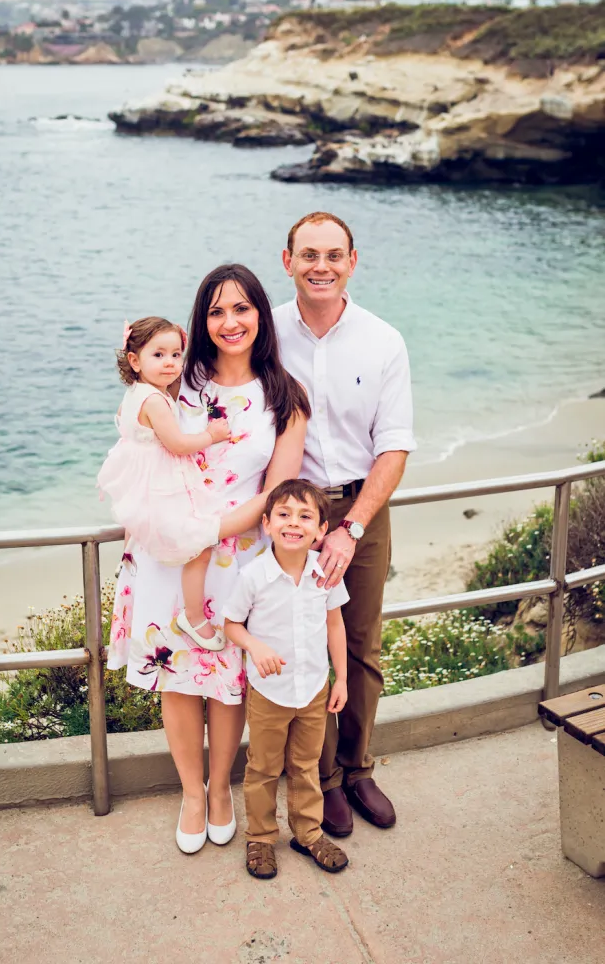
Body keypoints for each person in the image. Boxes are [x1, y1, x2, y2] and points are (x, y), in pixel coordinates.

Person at [107, 265, 310, 854]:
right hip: (169, 550)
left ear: (260, 317)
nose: (229, 323)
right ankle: (191, 794)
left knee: (226, 682)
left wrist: (216, 529)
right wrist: (182, 527)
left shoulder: (285, 396)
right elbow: (141, 447)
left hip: (238, 555)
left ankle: (222, 788)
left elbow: (279, 492)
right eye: (217, 311)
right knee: (178, 678)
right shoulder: (178, 381)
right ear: (203, 320)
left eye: (241, 309)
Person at [273, 211, 416, 838]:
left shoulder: (384, 340)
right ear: (288, 261)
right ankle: (320, 779)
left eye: (334, 255)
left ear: (352, 262)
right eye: (309, 255)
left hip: (362, 511)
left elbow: (394, 447)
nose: (321, 266)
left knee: (360, 647)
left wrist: (352, 526)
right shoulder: (264, 333)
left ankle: (357, 770)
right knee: (300, 647)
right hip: (288, 517)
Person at [98, 315, 282, 651]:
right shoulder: (154, 400)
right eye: (158, 355)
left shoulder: (141, 393)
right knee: (198, 544)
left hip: (146, 486)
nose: (169, 363)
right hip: (161, 487)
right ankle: (193, 615)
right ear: (134, 361)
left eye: (175, 355)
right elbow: (178, 444)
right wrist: (210, 435)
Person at [224, 479, 350, 880]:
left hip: (314, 688)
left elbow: (335, 625)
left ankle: (308, 832)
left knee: (306, 764)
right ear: (266, 523)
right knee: (262, 767)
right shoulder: (253, 575)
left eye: (305, 516)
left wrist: (341, 679)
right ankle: (260, 837)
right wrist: (254, 647)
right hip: (269, 693)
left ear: (321, 530)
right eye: (284, 514)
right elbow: (231, 624)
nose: (293, 523)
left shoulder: (325, 574)